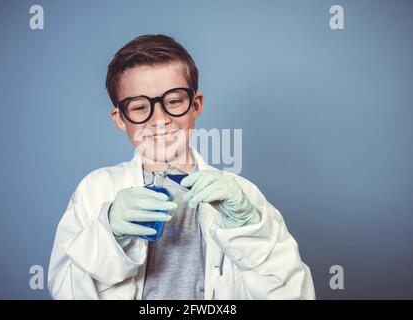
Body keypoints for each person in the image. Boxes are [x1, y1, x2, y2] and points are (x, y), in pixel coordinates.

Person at [47, 34, 315, 300]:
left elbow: (294, 295)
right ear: (120, 118)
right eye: (139, 107)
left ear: (195, 105)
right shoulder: (94, 190)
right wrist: (109, 232)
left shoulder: (240, 196)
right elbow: (66, 291)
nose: (160, 119)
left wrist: (250, 227)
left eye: (174, 101)